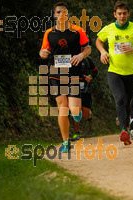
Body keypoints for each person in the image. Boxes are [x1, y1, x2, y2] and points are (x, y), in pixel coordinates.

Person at [96, 1, 133, 145]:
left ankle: (125, 128)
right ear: (115, 14)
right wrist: (102, 52)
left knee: (128, 103)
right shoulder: (108, 29)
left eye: (124, 13)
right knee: (120, 99)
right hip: (114, 71)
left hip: (132, 73)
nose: (122, 16)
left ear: (128, 14)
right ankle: (123, 130)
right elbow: (98, 41)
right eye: (119, 13)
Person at [39, 2, 91, 152]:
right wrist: (42, 53)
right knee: (62, 106)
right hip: (56, 72)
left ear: (68, 14)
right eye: (58, 12)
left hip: (73, 73)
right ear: (54, 15)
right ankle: (66, 141)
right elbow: (43, 50)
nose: (61, 14)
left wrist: (81, 55)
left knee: (74, 109)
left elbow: (88, 48)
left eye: (64, 12)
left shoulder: (77, 31)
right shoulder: (49, 33)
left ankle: (77, 113)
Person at [71, 56, 98, 141]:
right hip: (74, 86)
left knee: (85, 115)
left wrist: (90, 77)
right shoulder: (70, 56)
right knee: (76, 110)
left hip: (85, 88)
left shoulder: (88, 59)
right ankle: (77, 133)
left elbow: (95, 72)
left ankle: (89, 114)